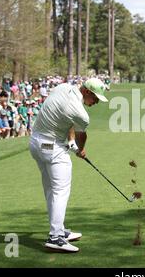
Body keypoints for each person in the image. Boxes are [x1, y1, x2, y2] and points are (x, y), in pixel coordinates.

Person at [29, 78, 108, 252]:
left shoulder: (63, 87)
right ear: (86, 91)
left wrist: (70, 141)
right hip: (52, 148)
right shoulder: (82, 113)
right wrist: (80, 150)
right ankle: (55, 237)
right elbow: (81, 135)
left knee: (51, 189)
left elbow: (66, 119)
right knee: (60, 191)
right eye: (95, 98)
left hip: (35, 143)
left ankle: (58, 230)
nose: (95, 102)